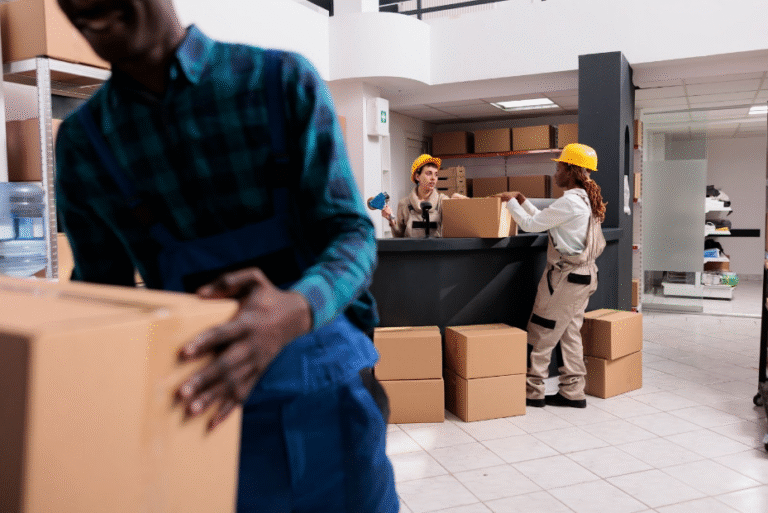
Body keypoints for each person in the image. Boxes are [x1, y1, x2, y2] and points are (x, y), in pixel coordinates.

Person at [53, 1, 398, 511]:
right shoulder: (86, 143)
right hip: (205, 407)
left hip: (330, 392)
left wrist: (294, 309)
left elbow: (352, 234)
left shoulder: (280, 81)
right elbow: (105, 300)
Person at [497, 143, 606, 409]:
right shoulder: (585, 200)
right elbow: (548, 219)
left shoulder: (570, 201)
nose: (555, 173)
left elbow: (531, 225)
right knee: (569, 334)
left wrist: (509, 202)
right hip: (585, 276)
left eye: (559, 167)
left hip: (567, 279)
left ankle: (532, 391)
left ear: (571, 170)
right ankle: (573, 391)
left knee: (541, 330)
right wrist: (523, 200)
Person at [382, 154, 466, 237]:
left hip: (436, 246)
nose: (433, 178)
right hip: (411, 246)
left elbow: (459, 225)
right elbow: (399, 236)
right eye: (429, 173)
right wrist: (391, 219)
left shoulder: (442, 201)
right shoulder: (404, 204)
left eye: (436, 174)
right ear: (417, 176)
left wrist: (462, 204)